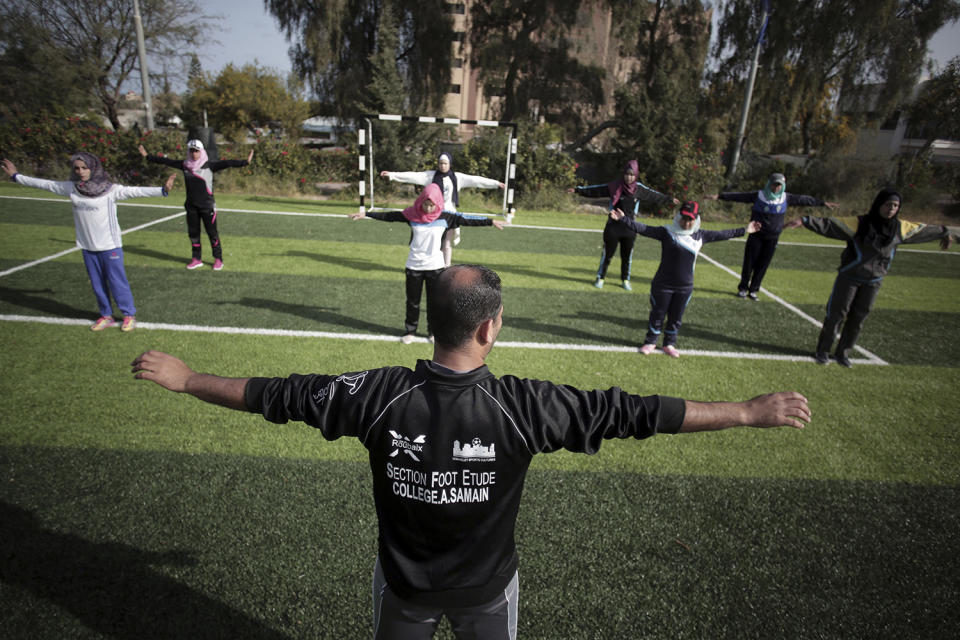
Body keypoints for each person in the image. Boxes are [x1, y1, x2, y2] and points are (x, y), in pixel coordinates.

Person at [131, 263, 810, 640]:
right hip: (488, 598)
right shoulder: (528, 405)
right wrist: (746, 412)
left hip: (402, 593)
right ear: (491, 326)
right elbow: (638, 413)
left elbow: (275, 394)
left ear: (435, 324)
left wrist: (189, 378)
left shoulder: (374, 395)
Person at [785, 188, 958, 367]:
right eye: (888, 204)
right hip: (849, 277)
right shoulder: (860, 223)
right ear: (878, 204)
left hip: (874, 282)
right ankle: (823, 351)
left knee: (859, 317)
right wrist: (805, 221)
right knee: (837, 313)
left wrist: (944, 232)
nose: (891, 208)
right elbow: (832, 224)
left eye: (895, 205)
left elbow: (923, 230)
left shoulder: (900, 228)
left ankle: (843, 353)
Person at [2, 154, 175, 332]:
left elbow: (134, 191)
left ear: (93, 168)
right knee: (97, 283)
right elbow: (46, 184)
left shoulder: (110, 190)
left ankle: (128, 315)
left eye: (84, 168)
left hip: (110, 246)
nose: (80, 171)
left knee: (117, 281)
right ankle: (105, 315)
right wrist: (16, 176)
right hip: (87, 246)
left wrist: (162, 189)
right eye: (77, 168)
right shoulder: (72, 188)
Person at [350, 183, 505, 343]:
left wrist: (490, 221)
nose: (429, 208)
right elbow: (389, 216)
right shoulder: (412, 215)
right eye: (426, 204)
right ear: (421, 201)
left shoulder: (446, 217)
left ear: (437, 203)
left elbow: (467, 220)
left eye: (432, 205)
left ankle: (433, 332)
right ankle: (410, 330)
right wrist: (367, 214)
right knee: (412, 301)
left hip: (435, 268)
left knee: (435, 302)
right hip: (414, 266)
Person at [611, 201, 761, 357]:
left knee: (676, 317)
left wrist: (745, 230)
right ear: (678, 216)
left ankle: (669, 343)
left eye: (690, 219)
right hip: (662, 284)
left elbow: (723, 234)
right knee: (658, 314)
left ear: (696, 220)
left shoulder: (701, 236)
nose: (686, 222)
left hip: (684, 287)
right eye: (684, 218)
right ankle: (651, 342)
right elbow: (644, 229)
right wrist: (623, 219)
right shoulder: (667, 232)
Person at [708, 173, 837, 300]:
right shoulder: (759, 195)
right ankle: (743, 289)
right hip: (756, 235)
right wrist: (720, 196)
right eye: (775, 184)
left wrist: (822, 203)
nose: (777, 188)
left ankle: (753, 290)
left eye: (779, 185)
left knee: (763, 264)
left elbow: (804, 199)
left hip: (772, 237)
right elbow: (740, 196)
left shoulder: (786, 198)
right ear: (769, 183)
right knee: (749, 263)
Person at [139, 140, 253, 271]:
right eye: (192, 151)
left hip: (207, 206)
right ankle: (196, 259)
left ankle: (218, 259)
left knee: (212, 233)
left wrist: (245, 162)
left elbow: (227, 163)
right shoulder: (185, 165)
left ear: (202, 151)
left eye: (197, 151)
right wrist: (147, 156)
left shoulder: (209, 166)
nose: (194, 154)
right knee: (193, 234)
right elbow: (167, 161)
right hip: (191, 206)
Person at [380, 151, 505, 267]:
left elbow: (476, 180)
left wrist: (496, 184)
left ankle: (446, 268)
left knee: (446, 243)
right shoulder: (430, 176)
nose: (442, 166)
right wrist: (391, 175)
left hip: (449, 214)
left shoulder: (457, 177)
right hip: (432, 214)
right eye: (440, 163)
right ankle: (432, 266)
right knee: (433, 244)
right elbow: (411, 176)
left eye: (445, 163)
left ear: (449, 164)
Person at [570, 160, 679, 291]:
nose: (629, 177)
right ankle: (600, 278)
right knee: (607, 255)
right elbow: (596, 190)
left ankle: (625, 280)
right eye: (627, 174)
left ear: (636, 175)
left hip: (630, 229)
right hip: (613, 228)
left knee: (627, 257)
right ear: (623, 174)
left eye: (632, 175)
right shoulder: (614, 186)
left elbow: (654, 195)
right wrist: (577, 190)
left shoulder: (639, 189)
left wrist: (669, 199)